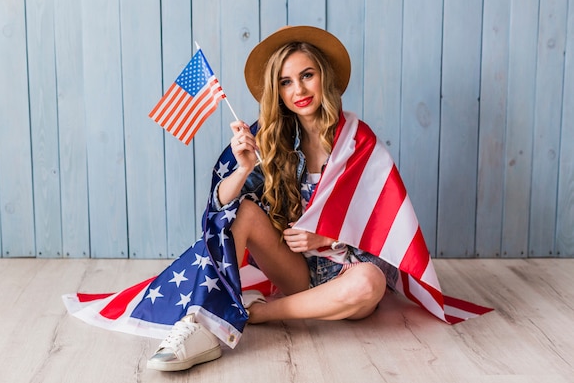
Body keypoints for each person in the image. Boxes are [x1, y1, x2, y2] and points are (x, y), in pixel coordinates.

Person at [146, 25, 399, 371]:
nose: (299, 90)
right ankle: (201, 325)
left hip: (349, 279)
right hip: (296, 272)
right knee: (244, 211)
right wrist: (243, 167)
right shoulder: (273, 138)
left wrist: (327, 236)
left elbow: (387, 229)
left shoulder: (358, 141)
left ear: (324, 76)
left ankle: (257, 313)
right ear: (276, 91)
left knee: (371, 282)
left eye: (307, 75)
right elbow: (219, 208)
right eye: (286, 82)